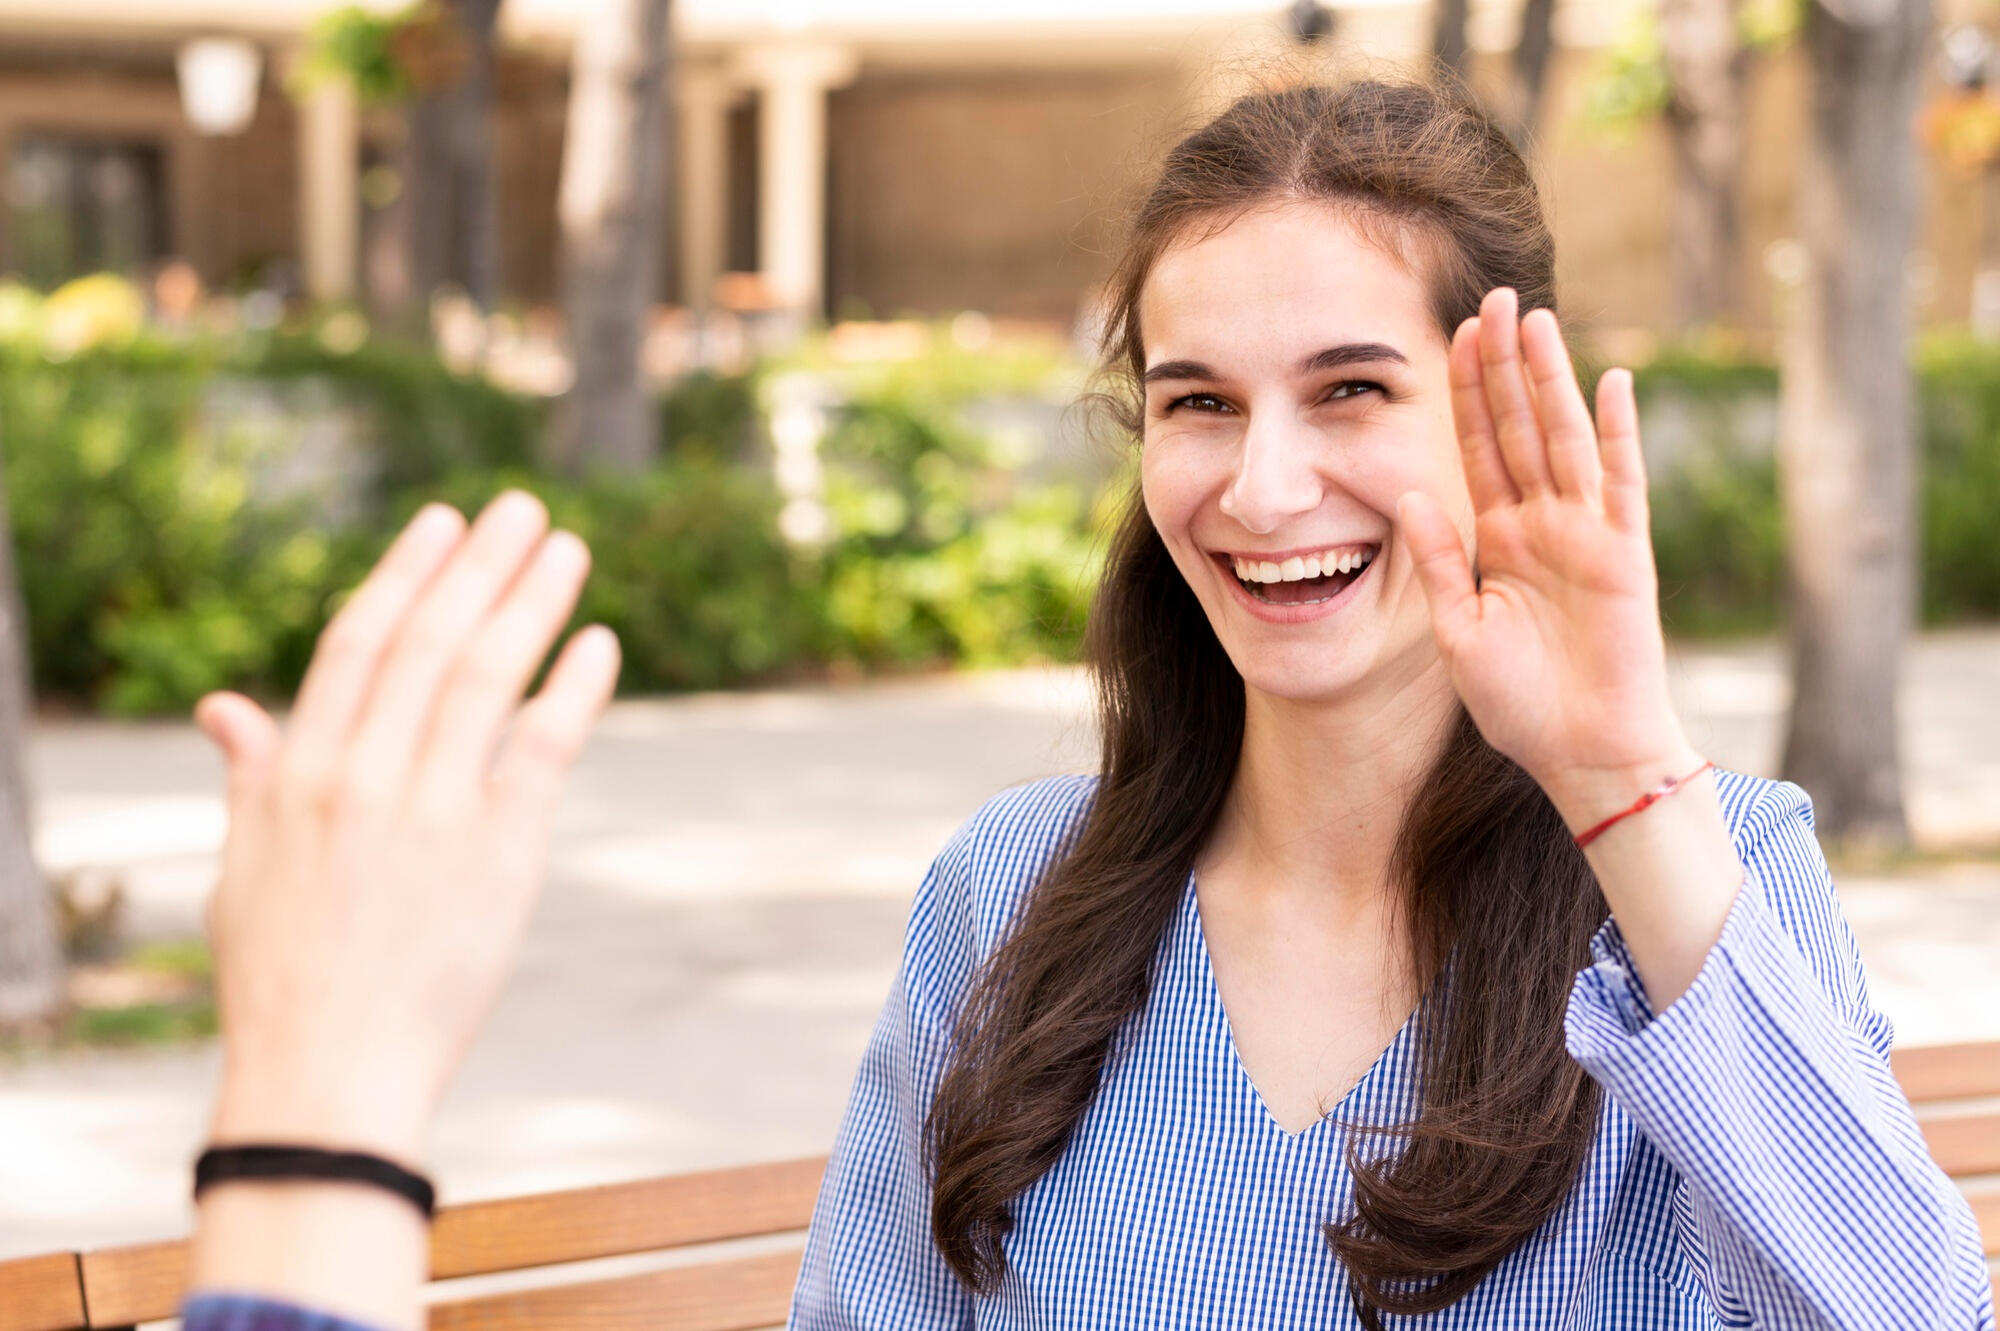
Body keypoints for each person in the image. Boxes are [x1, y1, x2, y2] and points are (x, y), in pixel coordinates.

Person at [175, 78, 1991, 1331]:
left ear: (1496, 414)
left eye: (1349, 391)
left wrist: (1616, 784)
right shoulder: (1013, 892)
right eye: (1198, 404)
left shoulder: (1702, 877)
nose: (1260, 488)